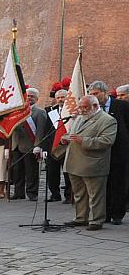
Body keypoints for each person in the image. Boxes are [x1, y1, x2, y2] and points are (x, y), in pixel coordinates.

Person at [56, 95, 117, 231]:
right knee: (79, 194)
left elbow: (106, 141)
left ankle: (96, 220)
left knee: (95, 195)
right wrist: (65, 139)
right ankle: (80, 218)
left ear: (95, 106)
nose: (81, 110)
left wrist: (83, 140)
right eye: (80, 107)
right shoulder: (80, 118)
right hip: (75, 162)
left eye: (85, 107)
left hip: (93, 164)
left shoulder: (107, 120)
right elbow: (72, 134)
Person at [87, 80, 129, 224]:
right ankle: (104, 213)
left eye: (96, 93)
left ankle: (117, 214)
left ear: (105, 92)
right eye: (91, 94)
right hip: (100, 152)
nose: (93, 96)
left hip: (119, 152)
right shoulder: (92, 108)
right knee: (102, 184)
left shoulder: (122, 105)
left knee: (118, 182)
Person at [10, 87, 48, 201]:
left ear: (36, 99)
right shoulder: (18, 111)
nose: (29, 98)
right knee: (17, 171)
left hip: (30, 146)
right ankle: (18, 192)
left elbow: (40, 130)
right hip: (16, 144)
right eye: (28, 96)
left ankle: (32, 193)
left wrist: (38, 146)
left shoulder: (40, 112)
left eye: (32, 96)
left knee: (31, 171)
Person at [45, 88, 72, 203]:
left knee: (67, 172)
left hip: (67, 145)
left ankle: (69, 195)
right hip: (53, 145)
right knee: (51, 171)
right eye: (58, 97)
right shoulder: (51, 111)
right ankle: (55, 194)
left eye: (63, 97)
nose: (61, 99)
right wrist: (44, 148)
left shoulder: (72, 111)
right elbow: (46, 129)